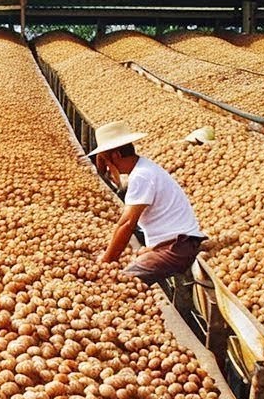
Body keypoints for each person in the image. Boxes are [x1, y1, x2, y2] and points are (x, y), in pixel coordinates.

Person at [88, 120, 207, 285]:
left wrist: (106, 260)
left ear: (116, 156)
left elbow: (127, 224)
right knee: (128, 267)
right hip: (174, 242)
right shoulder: (143, 167)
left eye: (106, 160)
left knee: (122, 282)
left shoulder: (141, 175)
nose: (107, 167)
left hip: (178, 248)